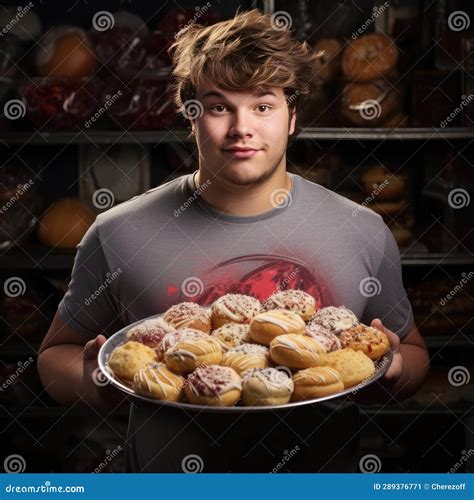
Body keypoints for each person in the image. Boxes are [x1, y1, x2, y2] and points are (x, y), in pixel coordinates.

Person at [37, 9, 429, 473]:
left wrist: (395, 371)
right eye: (220, 106)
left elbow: (413, 352)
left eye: (263, 106)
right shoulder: (120, 230)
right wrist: (94, 380)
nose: (242, 127)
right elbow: (52, 356)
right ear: (191, 114)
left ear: (292, 117)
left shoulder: (360, 228)